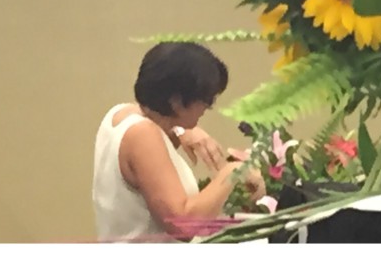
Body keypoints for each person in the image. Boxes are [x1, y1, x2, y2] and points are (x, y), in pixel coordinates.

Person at [92, 42, 264, 242]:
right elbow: (183, 225)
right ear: (176, 101)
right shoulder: (143, 136)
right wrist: (233, 171)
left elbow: (146, 115)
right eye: (206, 100)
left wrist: (181, 128)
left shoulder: (120, 114)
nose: (207, 108)